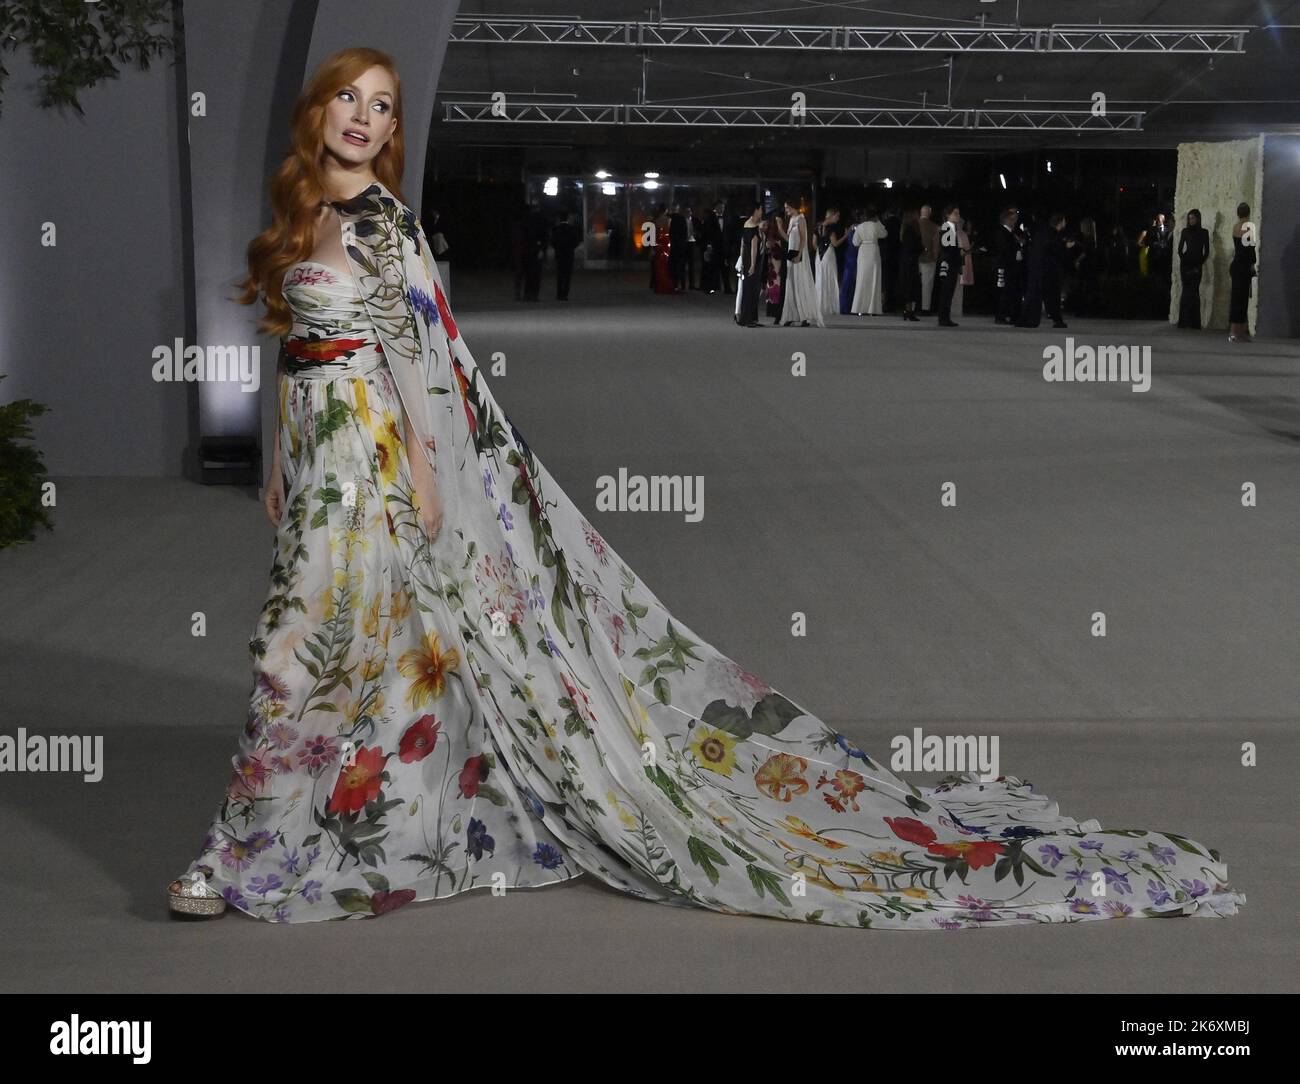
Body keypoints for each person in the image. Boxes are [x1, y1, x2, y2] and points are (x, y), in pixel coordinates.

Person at [166, 47, 1245, 931]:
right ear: (319, 114)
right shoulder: (303, 215)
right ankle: (363, 821)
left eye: (381, 106)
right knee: (362, 647)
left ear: (391, 127)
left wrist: (437, 487)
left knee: (294, 645)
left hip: (378, 470)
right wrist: (275, 459)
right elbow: (292, 346)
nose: (361, 117)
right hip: (318, 459)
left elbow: (418, 364)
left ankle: (240, 849)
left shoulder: (385, 226)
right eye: (347, 99)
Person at [1018, 212, 1073, 329]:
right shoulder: (1055, 235)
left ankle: (1027, 319)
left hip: (1036, 269)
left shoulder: (1042, 233)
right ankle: (1055, 320)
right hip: (1049, 270)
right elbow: (1056, 252)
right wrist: (1066, 247)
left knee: (1033, 294)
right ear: (1061, 222)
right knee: (1052, 297)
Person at [777, 198, 822, 327]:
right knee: (791, 282)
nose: (786, 210)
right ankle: (792, 314)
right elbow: (788, 238)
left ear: (793, 207)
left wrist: (799, 254)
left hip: (799, 253)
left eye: (787, 207)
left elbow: (803, 239)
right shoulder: (791, 220)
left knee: (800, 281)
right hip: (791, 252)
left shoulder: (801, 219)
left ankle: (805, 315)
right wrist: (780, 228)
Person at [850, 206, 888, 316]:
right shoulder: (876, 226)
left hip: (863, 252)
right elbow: (885, 234)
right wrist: (879, 222)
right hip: (873, 251)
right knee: (874, 279)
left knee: (862, 279)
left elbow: (855, 242)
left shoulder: (860, 227)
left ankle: (860, 308)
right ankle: (872, 309)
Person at [1177, 209, 1210, 330]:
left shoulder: (1204, 232)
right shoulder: (1185, 231)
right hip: (1186, 265)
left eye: (1193, 218)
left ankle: (1194, 323)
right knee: (1186, 293)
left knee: (1195, 293)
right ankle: (1184, 322)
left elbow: (1206, 252)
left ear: (1198, 219)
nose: (1191, 220)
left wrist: (1199, 264)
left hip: (1197, 265)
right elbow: (1180, 250)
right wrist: (1185, 261)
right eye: (1190, 218)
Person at [1229, 201, 1257, 342]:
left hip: (1235, 266)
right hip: (1244, 267)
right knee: (1243, 299)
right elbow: (1250, 251)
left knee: (1236, 299)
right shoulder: (1249, 227)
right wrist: (1253, 263)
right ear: (1249, 212)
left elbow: (1239, 248)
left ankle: (1233, 332)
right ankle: (1239, 333)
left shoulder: (1235, 227)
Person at [993, 207, 1025, 324]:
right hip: (1004, 266)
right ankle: (1000, 315)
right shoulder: (1002, 232)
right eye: (1012, 219)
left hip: (1012, 267)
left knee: (1011, 291)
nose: (1014, 222)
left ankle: (1011, 314)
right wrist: (1014, 253)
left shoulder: (1012, 233)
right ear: (1006, 220)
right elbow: (1003, 250)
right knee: (1003, 291)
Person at [934, 204, 963, 327]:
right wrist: (958, 252)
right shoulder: (947, 228)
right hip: (949, 264)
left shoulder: (951, 228)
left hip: (950, 263)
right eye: (955, 213)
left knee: (948, 292)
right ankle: (944, 318)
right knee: (947, 291)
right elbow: (947, 249)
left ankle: (945, 317)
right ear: (948, 215)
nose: (958, 216)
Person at [815, 206, 847, 320]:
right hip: (828, 254)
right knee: (830, 277)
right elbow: (835, 243)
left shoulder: (818, 225)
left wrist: (819, 250)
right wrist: (846, 235)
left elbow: (813, 243)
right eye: (837, 216)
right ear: (832, 215)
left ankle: (820, 305)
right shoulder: (831, 228)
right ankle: (830, 305)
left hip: (819, 255)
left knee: (820, 278)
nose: (838, 218)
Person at [736, 201, 764, 327]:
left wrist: (742, 260)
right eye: (761, 209)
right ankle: (749, 318)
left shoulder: (746, 225)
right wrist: (753, 265)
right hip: (753, 261)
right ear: (756, 210)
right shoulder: (753, 227)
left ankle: (747, 317)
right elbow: (754, 247)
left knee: (747, 288)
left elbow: (742, 244)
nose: (762, 212)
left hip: (746, 259)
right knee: (752, 289)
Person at [897, 207, 922, 321]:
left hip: (906, 260)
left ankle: (907, 310)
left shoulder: (905, 229)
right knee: (911, 286)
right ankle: (909, 311)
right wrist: (923, 248)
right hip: (911, 261)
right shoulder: (912, 230)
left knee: (907, 286)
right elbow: (914, 246)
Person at [550, 209, 580, 301]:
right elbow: (576, 241)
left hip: (559, 253)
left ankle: (559, 294)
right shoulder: (571, 229)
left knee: (560, 274)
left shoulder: (556, 229)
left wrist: (557, 248)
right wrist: (571, 248)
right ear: (567, 218)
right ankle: (565, 294)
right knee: (567, 275)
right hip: (569, 254)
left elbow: (553, 241)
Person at [838, 205, 862, 315]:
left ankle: (850, 306)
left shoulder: (857, 226)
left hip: (854, 254)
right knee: (848, 280)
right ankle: (845, 306)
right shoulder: (851, 227)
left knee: (852, 281)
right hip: (851, 254)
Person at [700, 201, 726, 294]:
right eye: (720, 207)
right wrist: (709, 245)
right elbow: (708, 232)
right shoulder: (711, 218)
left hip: (721, 246)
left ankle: (721, 287)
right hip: (713, 246)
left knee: (721, 267)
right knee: (710, 267)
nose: (722, 209)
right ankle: (708, 287)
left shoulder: (725, 218)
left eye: (723, 207)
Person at [918, 204, 938, 313]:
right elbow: (935, 245)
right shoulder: (933, 227)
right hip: (928, 258)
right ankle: (925, 308)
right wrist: (935, 256)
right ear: (929, 213)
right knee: (927, 284)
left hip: (915, 258)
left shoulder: (914, 225)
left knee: (915, 283)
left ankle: (913, 305)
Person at [652, 205, 675, 295]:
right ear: (666, 210)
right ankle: (666, 285)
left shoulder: (655, 221)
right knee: (665, 265)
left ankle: (660, 286)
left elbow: (653, 234)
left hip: (659, 243)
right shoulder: (668, 220)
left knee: (659, 265)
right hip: (666, 242)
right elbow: (670, 232)